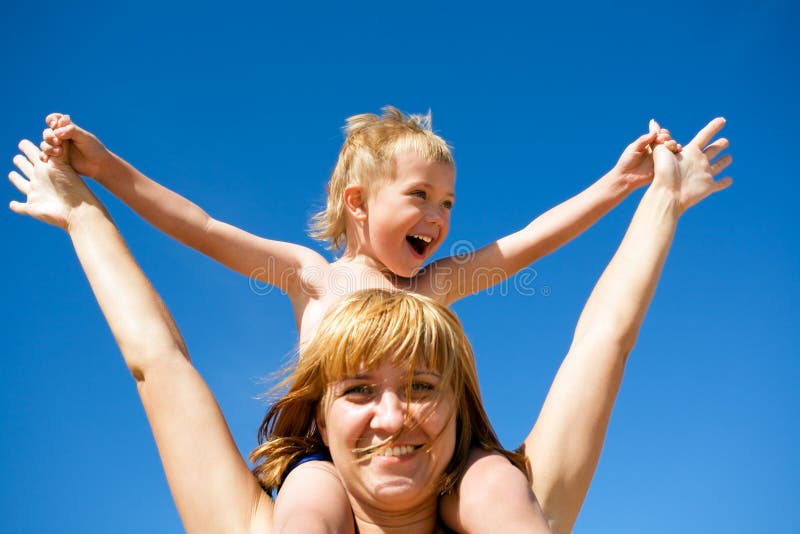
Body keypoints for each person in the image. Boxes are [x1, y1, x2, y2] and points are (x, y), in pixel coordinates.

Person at [10, 117, 731, 533]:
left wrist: (619, 184)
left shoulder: (439, 283)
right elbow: (198, 225)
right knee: (308, 500)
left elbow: (531, 241)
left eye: (448, 203)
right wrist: (102, 170)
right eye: (421, 196)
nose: (440, 218)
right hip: (322, 462)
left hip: (450, 466)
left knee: (496, 488)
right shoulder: (308, 274)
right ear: (357, 201)